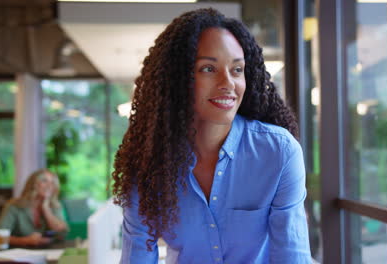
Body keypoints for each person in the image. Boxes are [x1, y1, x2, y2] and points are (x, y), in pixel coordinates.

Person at [113, 8, 311, 263]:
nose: (228, 83)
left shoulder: (278, 152)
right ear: (177, 79)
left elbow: (291, 257)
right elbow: (136, 256)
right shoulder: (147, 163)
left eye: (237, 69)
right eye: (208, 68)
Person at [0, 169, 68, 247]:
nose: (50, 185)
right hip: (20, 253)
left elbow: (62, 232)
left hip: (50, 252)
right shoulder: (14, 205)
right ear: (33, 184)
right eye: (44, 181)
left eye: (53, 182)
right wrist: (25, 241)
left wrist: (45, 208)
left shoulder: (54, 205)